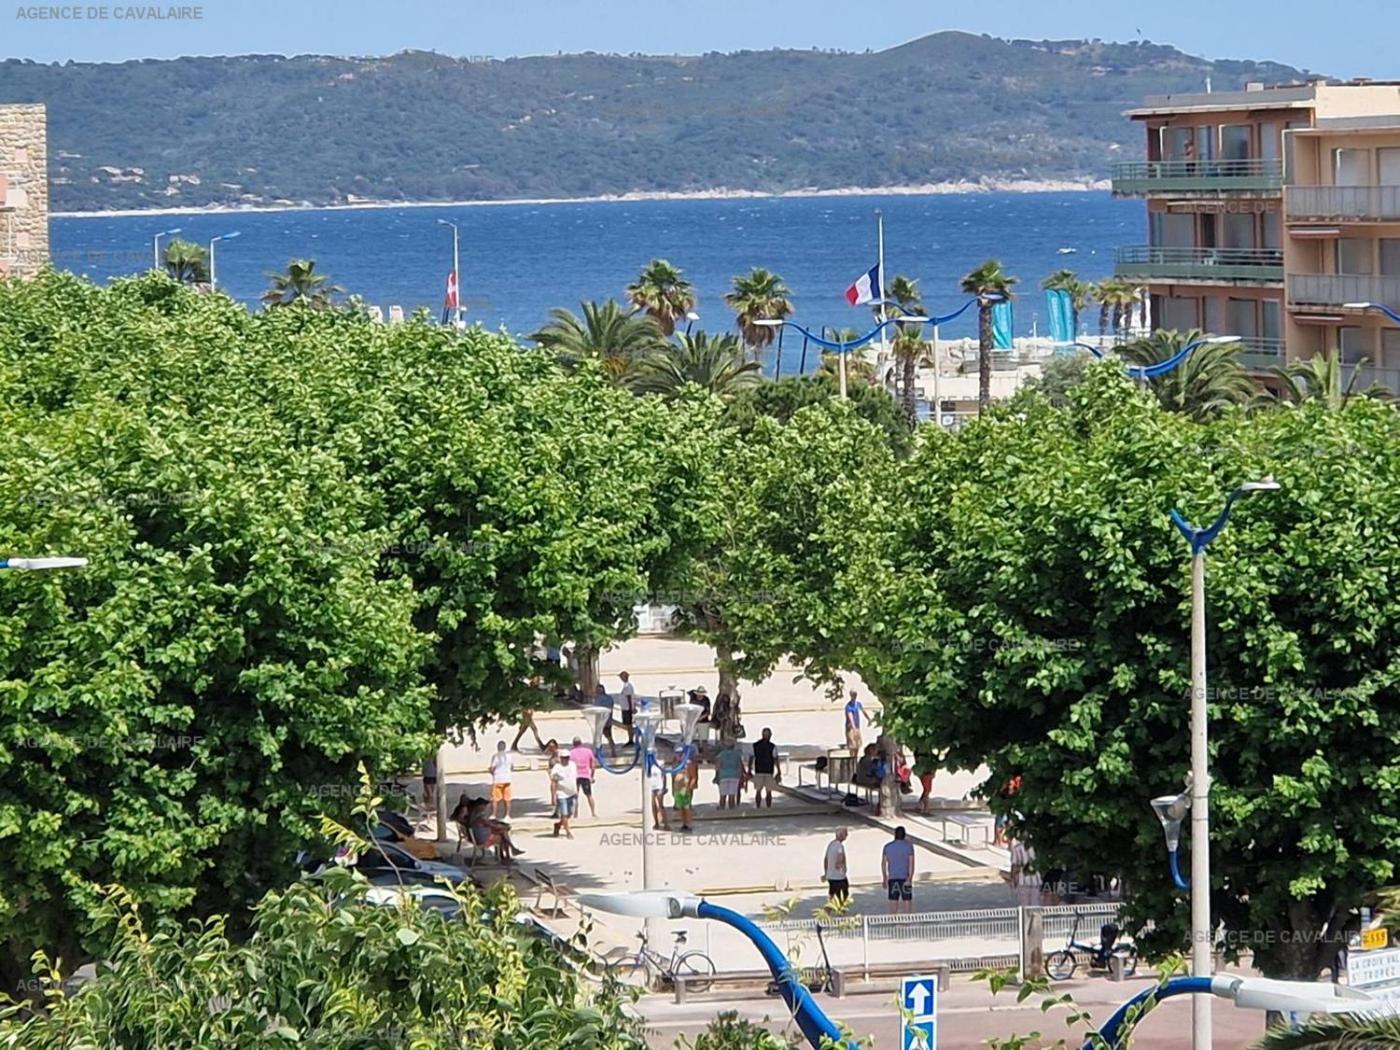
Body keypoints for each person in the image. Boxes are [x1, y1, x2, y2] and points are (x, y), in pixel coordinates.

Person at [882, 826, 916, 915]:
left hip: (893, 878)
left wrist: (885, 878)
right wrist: (910, 878)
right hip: (905, 878)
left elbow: (883, 864)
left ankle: (893, 919)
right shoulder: (908, 847)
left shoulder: (887, 847)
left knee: (893, 901)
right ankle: (907, 920)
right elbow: (911, 864)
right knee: (907, 900)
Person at [1008, 834, 1042, 907]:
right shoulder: (1037, 847)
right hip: (1036, 880)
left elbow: (1014, 866)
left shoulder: (1016, 849)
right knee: (1036, 905)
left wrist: (1013, 880)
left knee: (1024, 906)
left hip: (1023, 881)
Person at [748, 727, 778, 809]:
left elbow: (751, 758)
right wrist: (779, 771)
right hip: (769, 770)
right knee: (769, 791)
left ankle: (758, 807)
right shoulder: (772, 746)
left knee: (758, 790)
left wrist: (749, 770)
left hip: (759, 770)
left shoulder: (755, 746)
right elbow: (775, 759)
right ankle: (768, 807)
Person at [569, 736, 598, 818]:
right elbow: (593, 766)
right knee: (589, 795)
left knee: (575, 796)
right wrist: (592, 776)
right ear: (581, 743)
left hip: (575, 776)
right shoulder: (588, 751)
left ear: (573, 744)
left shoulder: (571, 753)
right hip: (585, 776)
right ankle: (593, 813)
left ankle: (575, 815)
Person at [551, 751, 578, 838]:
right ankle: (568, 832)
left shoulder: (573, 765)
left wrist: (576, 791)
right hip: (562, 794)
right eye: (563, 758)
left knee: (569, 814)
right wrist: (553, 796)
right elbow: (554, 782)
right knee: (564, 814)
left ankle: (558, 825)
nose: (565, 759)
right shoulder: (557, 768)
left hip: (571, 793)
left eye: (567, 757)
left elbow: (574, 778)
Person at [715, 739, 743, 810]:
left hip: (723, 776)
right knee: (732, 795)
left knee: (723, 795)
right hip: (734, 776)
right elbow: (740, 766)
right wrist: (740, 775)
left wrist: (716, 776)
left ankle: (722, 807)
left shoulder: (721, 754)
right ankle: (732, 808)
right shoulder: (737, 754)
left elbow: (718, 766)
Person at [823, 827, 850, 903]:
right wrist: (839, 865)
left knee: (833, 893)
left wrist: (826, 872)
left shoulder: (831, 844)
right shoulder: (839, 846)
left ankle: (830, 906)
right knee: (845, 892)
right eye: (846, 834)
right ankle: (841, 906)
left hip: (830, 875)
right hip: (838, 876)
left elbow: (825, 859)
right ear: (841, 835)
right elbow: (840, 855)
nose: (847, 835)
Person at [673, 750, 698, 832]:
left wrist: (689, 788)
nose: (678, 756)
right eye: (677, 754)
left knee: (686, 807)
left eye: (680, 754)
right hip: (677, 788)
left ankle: (689, 824)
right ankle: (684, 824)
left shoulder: (688, 764)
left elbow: (693, 777)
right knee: (680, 808)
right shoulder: (676, 764)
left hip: (685, 788)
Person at [488, 740, 513, 819]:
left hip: (498, 779)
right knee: (507, 798)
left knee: (495, 799)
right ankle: (507, 815)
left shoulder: (496, 756)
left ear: (498, 747)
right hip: (507, 779)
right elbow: (512, 767)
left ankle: (494, 815)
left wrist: (490, 771)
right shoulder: (509, 756)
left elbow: (492, 768)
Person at [592, 683, 617, 753]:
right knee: (609, 736)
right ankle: (613, 751)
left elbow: (596, 709)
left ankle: (597, 752)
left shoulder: (598, 699)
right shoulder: (609, 698)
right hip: (608, 721)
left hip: (601, 721)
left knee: (599, 737)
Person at [648, 759, 670, 831]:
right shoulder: (649, 763)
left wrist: (664, 787)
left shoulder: (660, 763)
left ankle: (666, 824)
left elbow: (664, 775)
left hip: (659, 786)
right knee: (653, 805)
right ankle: (656, 823)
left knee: (660, 806)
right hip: (652, 786)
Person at [844, 690, 867, 754]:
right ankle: (852, 757)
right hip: (850, 727)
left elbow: (863, 711)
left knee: (857, 744)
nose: (854, 696)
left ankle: (855, 757)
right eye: (853, 694)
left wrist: (868, 718)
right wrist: (853, 726)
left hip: (857, 726)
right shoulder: (848, 706)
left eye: (855, 694)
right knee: (852, 744)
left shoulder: (858, 704)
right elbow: (850, 716)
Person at [618, 670, 637, 746]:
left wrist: (631, 708)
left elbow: (629, 697)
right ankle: (630, 738)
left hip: (627, 708)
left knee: (629, 725)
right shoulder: (626, 685)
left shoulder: (628, 686)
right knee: (627, 725)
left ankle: (631, 739)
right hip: (625, 708)